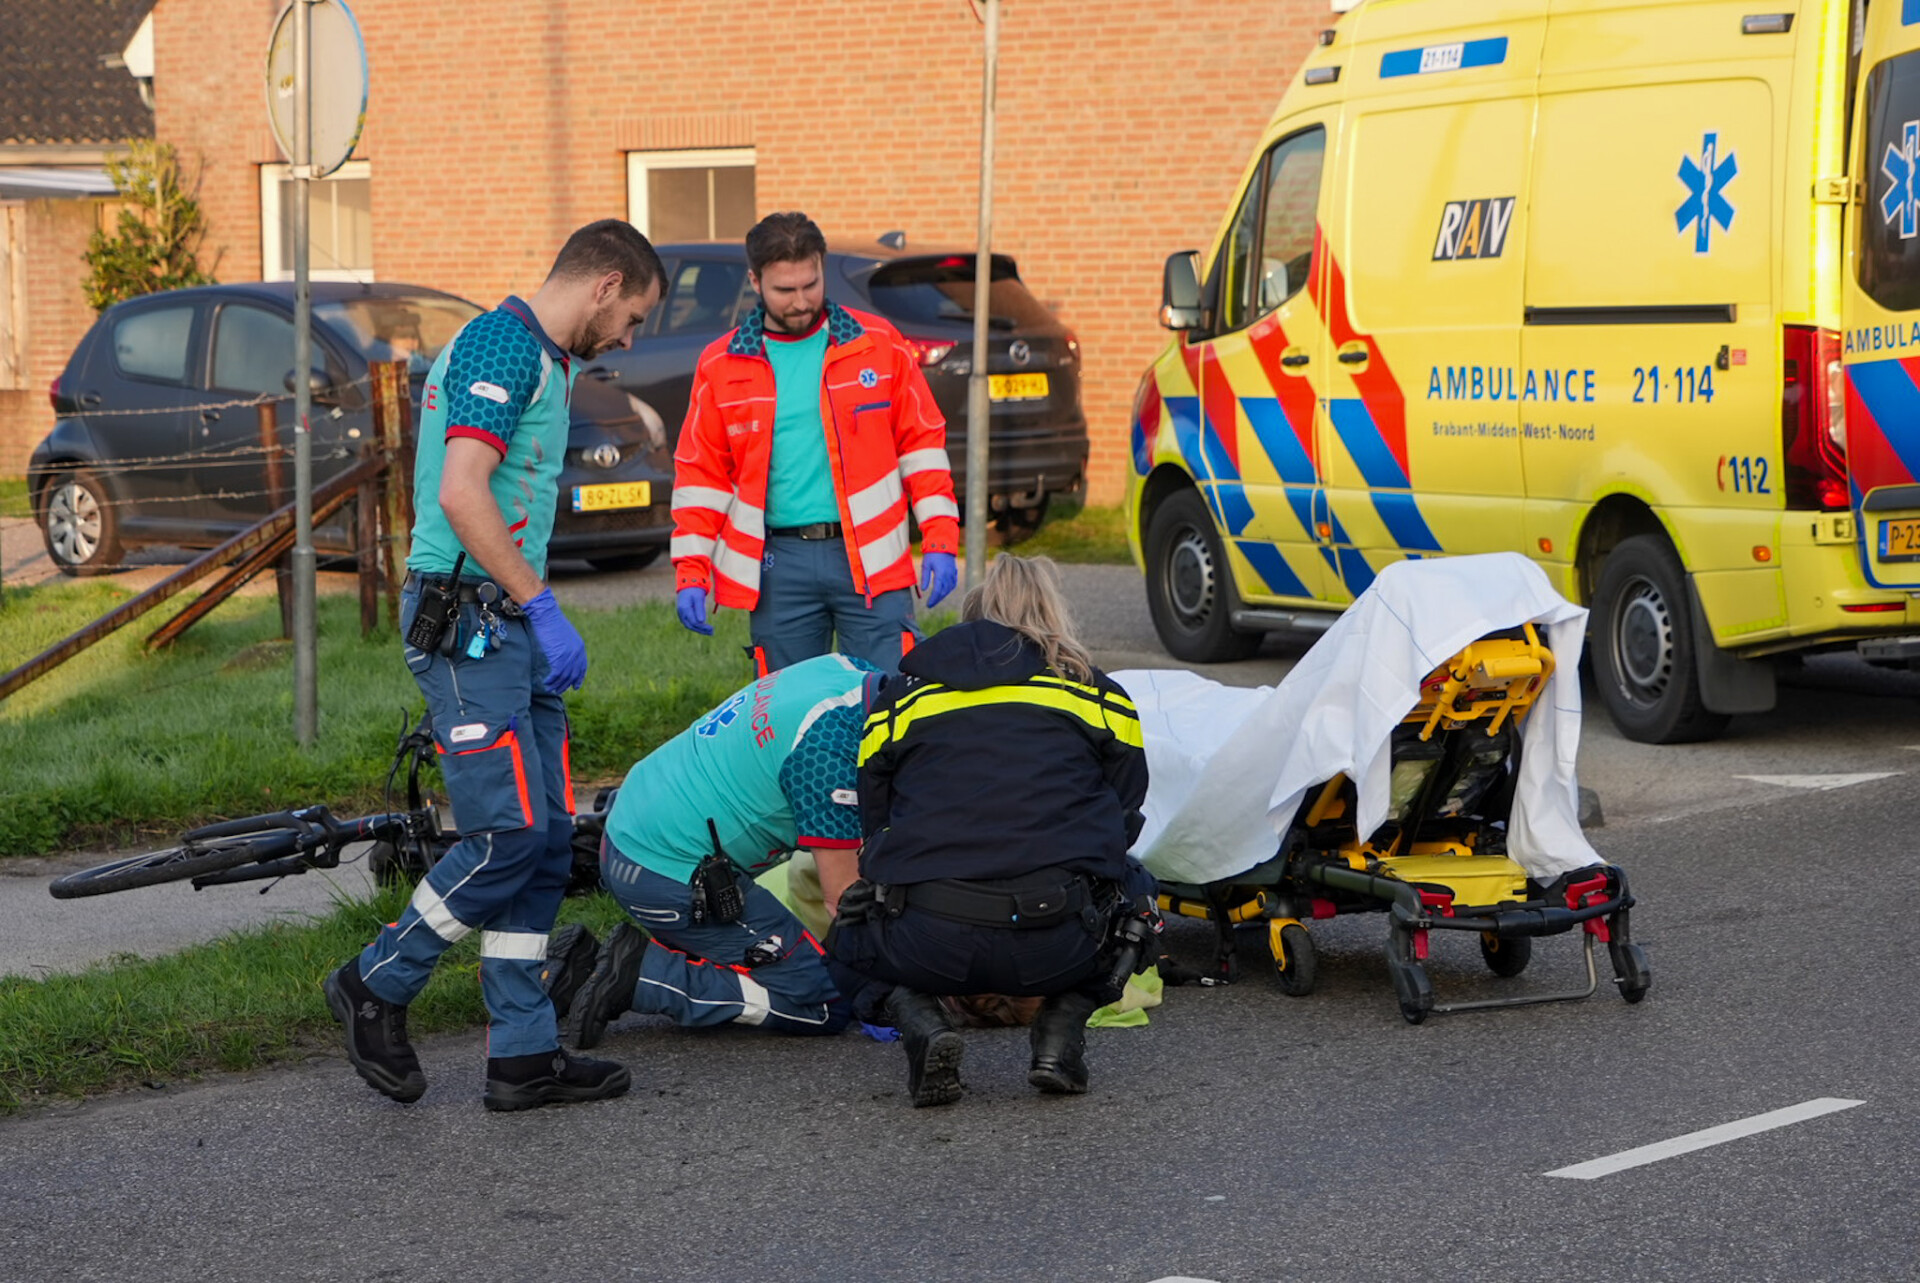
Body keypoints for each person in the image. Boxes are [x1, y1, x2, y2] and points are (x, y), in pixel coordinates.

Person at [323, 220, 666, 1112]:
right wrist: (541, 605)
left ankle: (523, 1054)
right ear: (604, 285)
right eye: (633, 317)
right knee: (505, 839)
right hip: (467, 624)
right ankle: (375, 982)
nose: (630, 339)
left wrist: (531, 617)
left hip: (503, 624)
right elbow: (460, 491)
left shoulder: (546, 359)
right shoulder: (503, 346)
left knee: (547, 843)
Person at [828, 555, 1157, 1107]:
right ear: (1054, 615)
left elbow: (874, 821)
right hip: (1058, 939)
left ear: (972, 618)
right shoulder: (1099, 695)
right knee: (1139, 890)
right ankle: (1061, 1029)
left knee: (848, 928)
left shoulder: (900, 698)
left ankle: (918, 1018)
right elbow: (1124, 817)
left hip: (928, 941)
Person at [669, 211, 960, 677]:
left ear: (822, 267)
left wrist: (940, 537)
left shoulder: (878, 344)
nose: (802, 302)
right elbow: (702, 476)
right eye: (785, 290)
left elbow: (921, 445)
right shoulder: (721, 365)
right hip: (778, 566)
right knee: (789, 707)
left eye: (811, 284)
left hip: (873, 556)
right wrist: (691, 569)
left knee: (889, 697)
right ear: (755, 281)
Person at [562, 653, 883, 1048]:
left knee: (794, 960)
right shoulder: (825, 758)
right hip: (663, 870)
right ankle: (642, 977)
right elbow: (844, 899)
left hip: (635, 818)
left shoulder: (847, 668)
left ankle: (576, 970)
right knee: (826, 1001)